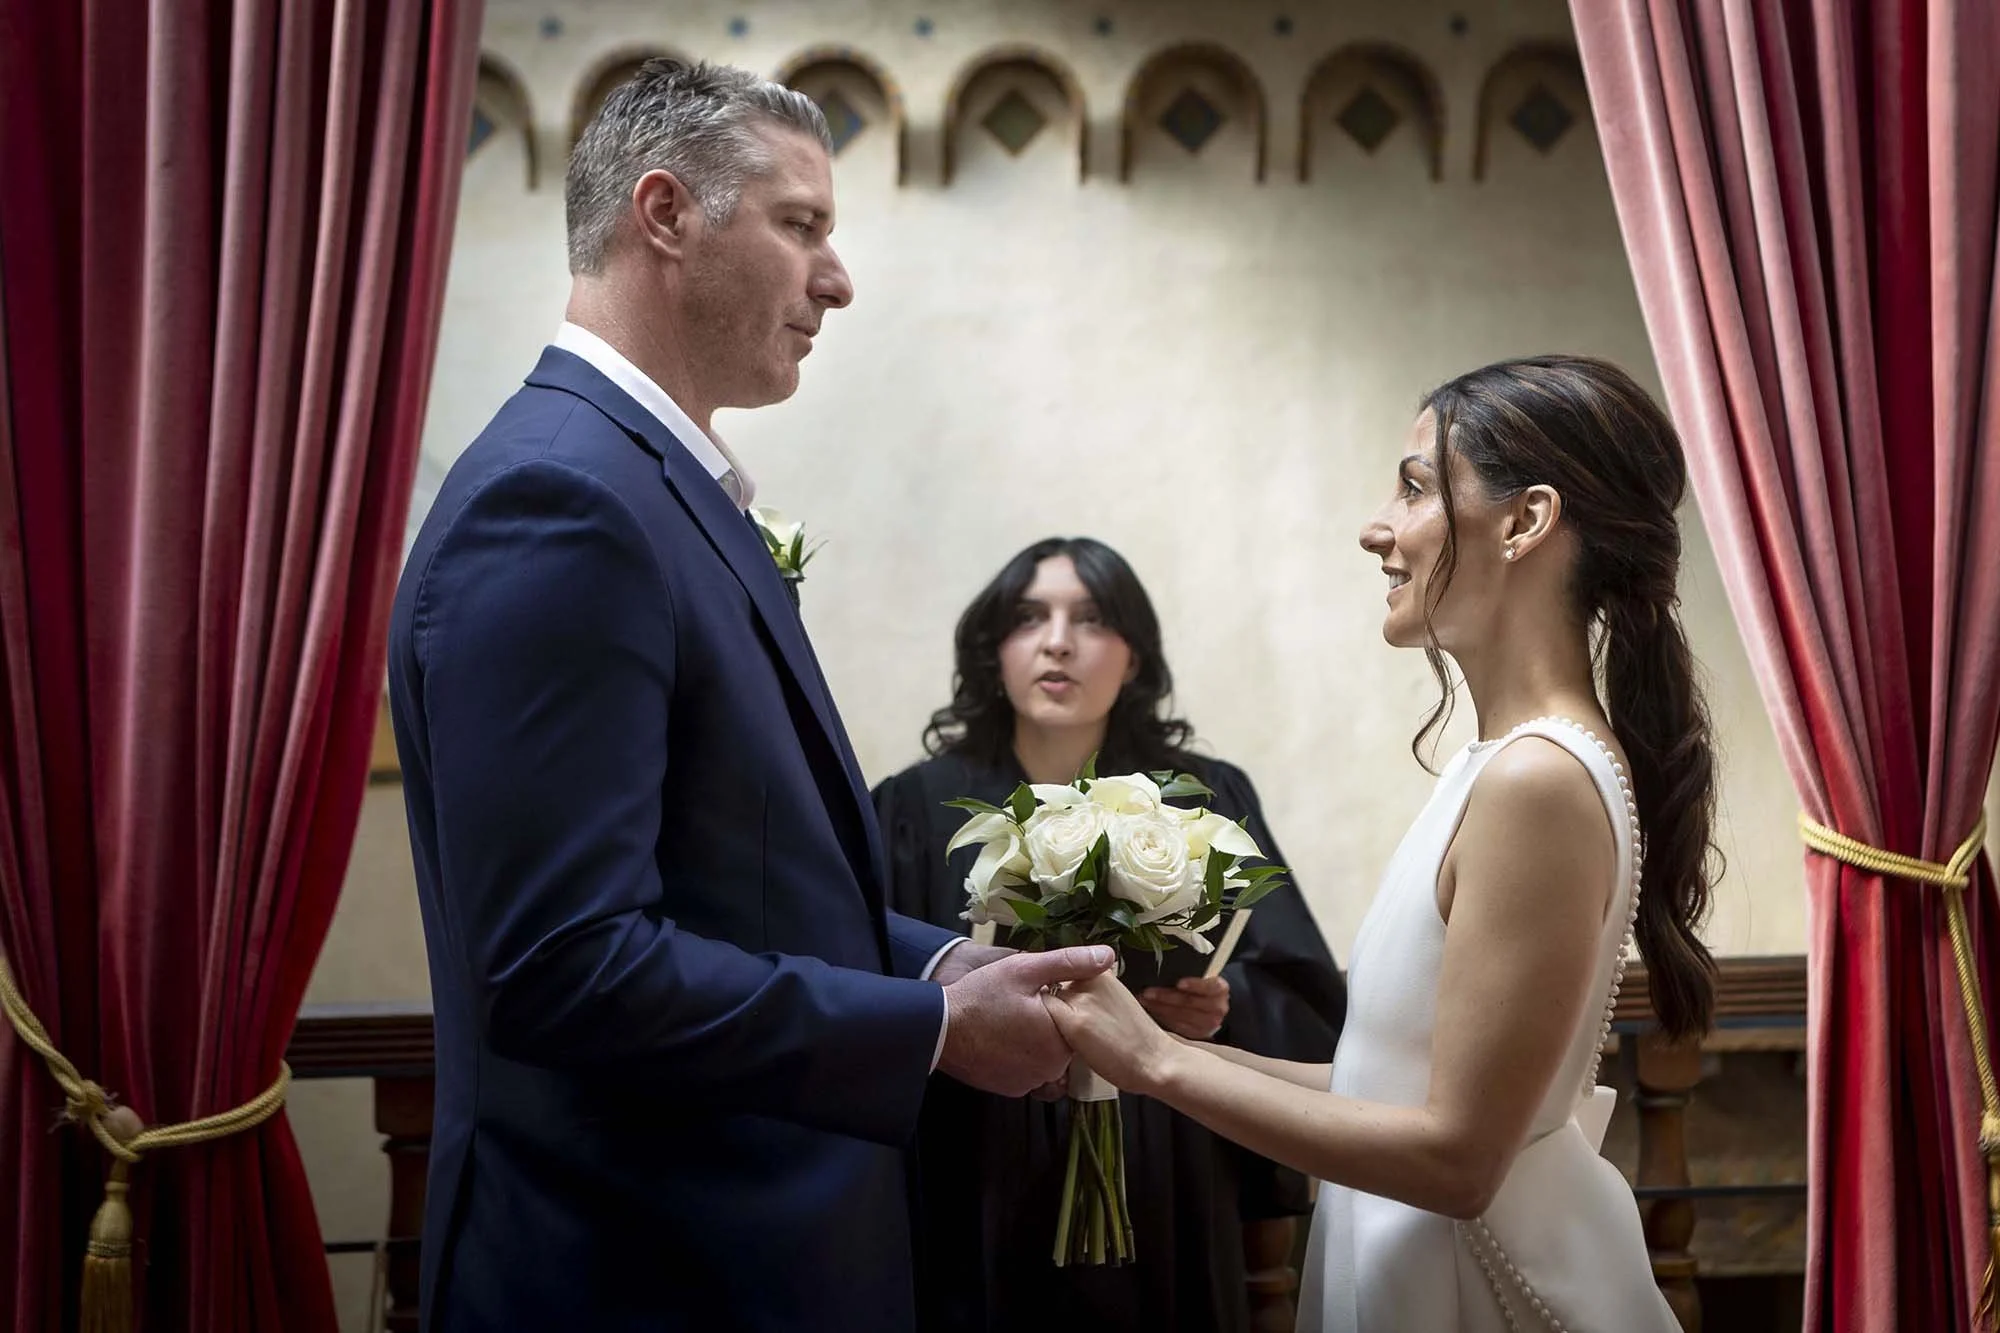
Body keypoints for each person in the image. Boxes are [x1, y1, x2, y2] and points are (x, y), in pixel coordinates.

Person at [387, 60, 1114, 1333]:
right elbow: (566, 964)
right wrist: (930, 1032)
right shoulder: (557, 504)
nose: (835, 278)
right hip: (642, 1271)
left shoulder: (647, 486)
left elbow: (739, 884)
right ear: (664, 214)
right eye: (802, 225)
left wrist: (953, 963)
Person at [1043, 356, 1717, 1331]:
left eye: (1410, 486)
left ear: (1524, 522)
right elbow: (1379, 1083)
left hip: (1484, 1288)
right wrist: (1148, 1043)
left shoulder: (1535, 779)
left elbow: (1455, 1159)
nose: (1375, 529)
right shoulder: (1493, 767)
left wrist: (1156, 1064)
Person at [873, 536, 1348, 1333]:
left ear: (1134, 656)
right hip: (976, 1153)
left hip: (1161, 1145)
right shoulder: (917, 810)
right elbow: (874, 977)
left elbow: (1297, 989)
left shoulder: (1204, 797)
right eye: (1030, 617)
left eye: (1090, 618)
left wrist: (1219, 1008)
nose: (1058, 640)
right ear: (995, 650)